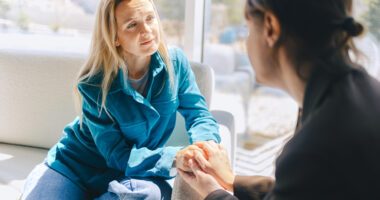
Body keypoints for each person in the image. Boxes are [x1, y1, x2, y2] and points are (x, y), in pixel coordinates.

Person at [178, 0, 380, 199]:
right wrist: (231, 179)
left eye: (248, 28)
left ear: (270, 28)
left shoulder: (314, 147)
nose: (246, 43)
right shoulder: (358, 93)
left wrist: (212, 193)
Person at [21, 0, 220, 199]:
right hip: (74, 167)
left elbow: (199, 114)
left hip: (136, 174)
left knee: (146, 194)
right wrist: (174, 157)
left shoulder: (175, 63)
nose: (147, 30)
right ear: (115, 36)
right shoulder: (93, 85)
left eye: (150, 18)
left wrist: (206, 146)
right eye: (132, 25)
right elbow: (118, 155)